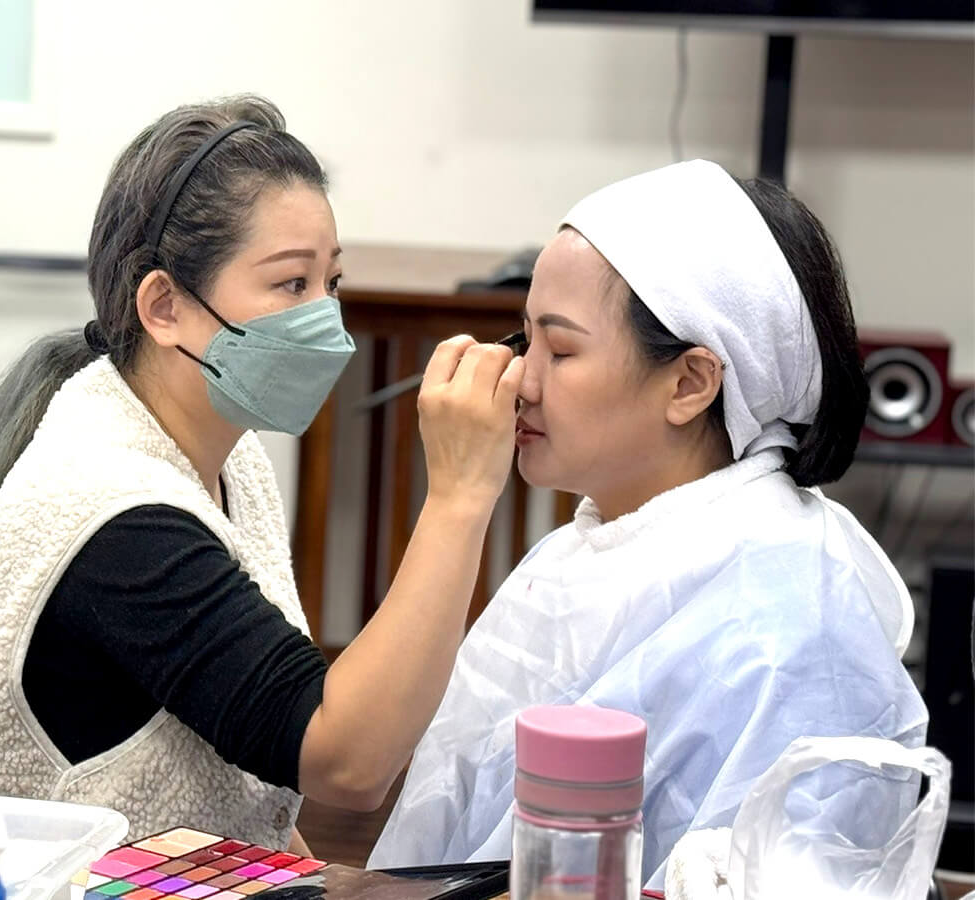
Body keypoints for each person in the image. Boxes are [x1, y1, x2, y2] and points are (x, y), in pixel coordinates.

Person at [0, 95, 524, 850]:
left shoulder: (228, 457)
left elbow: (255, 778)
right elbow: (345, 761)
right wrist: (459, 495)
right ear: (163, 306)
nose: (326, 318)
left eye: (333, 282)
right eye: (292, 284)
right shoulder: (117, 512)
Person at [368, 160, 929, 887]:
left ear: (690, 382)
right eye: (525, 338)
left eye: (561, 350)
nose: (521, 380)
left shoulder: (796, 616)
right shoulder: (581, 551)